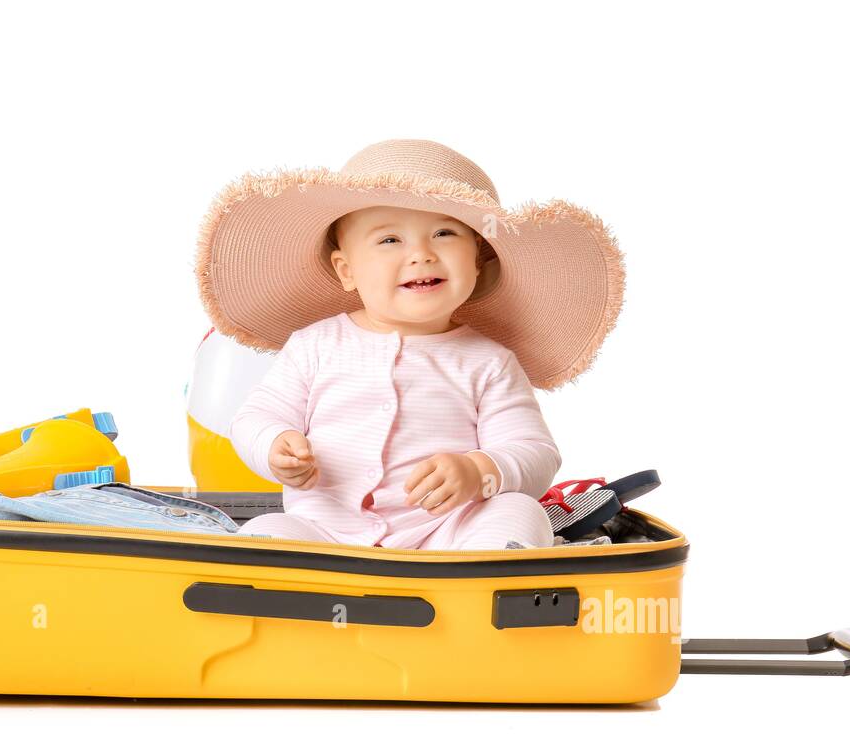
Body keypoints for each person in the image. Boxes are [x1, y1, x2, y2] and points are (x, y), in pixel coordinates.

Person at [193, 139, 625, 550]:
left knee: (519, 510)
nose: (421, 254)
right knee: (267, 530)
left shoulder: (490, 362)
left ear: (477, 260)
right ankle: (277, 584)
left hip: (448, 533)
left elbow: (535, 454)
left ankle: (483, 583)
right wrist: (274, 444)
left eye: (444, 234)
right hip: (324, 532)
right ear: (346, 271)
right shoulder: (315, 346)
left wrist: (479, 471)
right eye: (389, 240)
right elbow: (254, 417)